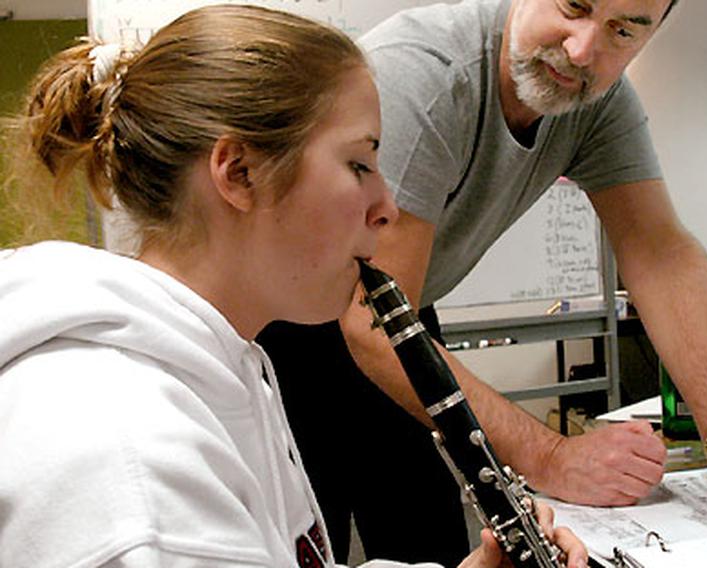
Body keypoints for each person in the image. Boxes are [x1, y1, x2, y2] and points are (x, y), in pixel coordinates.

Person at [257, 0, 707, 564]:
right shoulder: (426, 76)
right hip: (284, 332)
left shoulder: (600, 103)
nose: (585, 49)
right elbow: (365, 318)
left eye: (623, 30)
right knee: (300, 545)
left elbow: (661, 253)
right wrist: (553, 457)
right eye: (574, 6)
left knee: (432, 542)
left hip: (403, 319)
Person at [0, 5, 587, 568]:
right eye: (359, 164)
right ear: (240, 173)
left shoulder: (227, 368)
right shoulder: (138, 469)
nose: (387, 206)